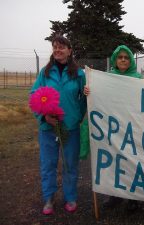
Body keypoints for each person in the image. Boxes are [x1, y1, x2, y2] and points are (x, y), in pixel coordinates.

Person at [30, 36, 87, 215]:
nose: (57, 50)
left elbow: (85, 98)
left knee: (70, 164)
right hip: (48, 128)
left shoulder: (78, 74)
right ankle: (48, 197)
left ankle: (70, 197)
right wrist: (43, 116)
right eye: (55, 47)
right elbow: (34, 95)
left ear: (70, 51)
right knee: (48, 164)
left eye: (61, 47)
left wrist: (78, 116)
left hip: (70, 128)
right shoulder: (45, 73)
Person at [83, 45, 141, 211]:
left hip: (133, 128)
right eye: (120, 57)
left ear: (130, 60)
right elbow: (98, 95)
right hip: (114, 129)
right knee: (115, 162)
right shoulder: (108, 78)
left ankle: (133, 197)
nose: (123, 60)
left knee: (133, 162)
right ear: (115, 59)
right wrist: (90, 90)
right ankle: (115, 195)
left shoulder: (138, 78)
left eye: (126, 57)